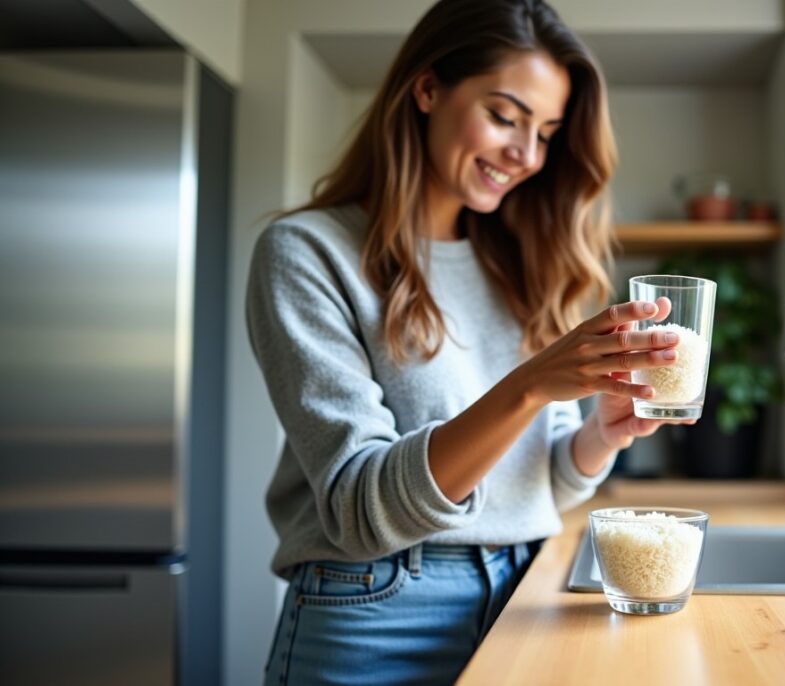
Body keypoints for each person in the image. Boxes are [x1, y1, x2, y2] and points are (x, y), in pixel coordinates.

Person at [250, 1, 686, 683]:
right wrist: (530, 386)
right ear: (427, 89)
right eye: (505, 116)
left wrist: (600, 436)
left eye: (546, 133)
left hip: (524, 590)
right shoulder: (308, 252)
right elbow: (360, 510)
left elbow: (538, 487)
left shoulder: (525, 264)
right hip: (375, 608)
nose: (527, 154)